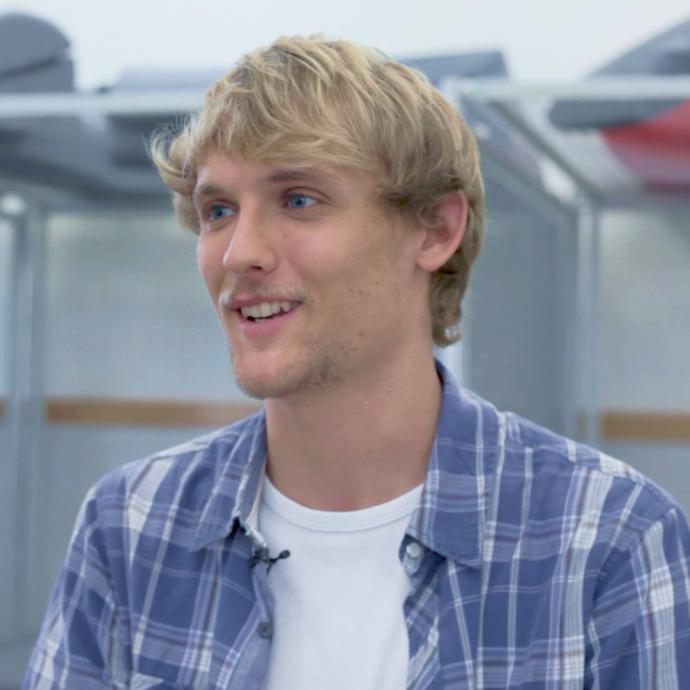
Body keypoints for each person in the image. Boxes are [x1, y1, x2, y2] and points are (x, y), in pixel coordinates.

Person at [24, 35, 690, 690]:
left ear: (435, 229)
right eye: (217, 210)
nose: (238, 253)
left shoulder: (610, 541)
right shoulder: (129, 526)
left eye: (298, 199)